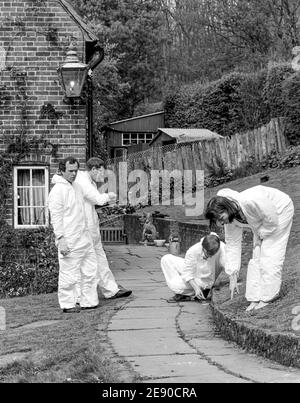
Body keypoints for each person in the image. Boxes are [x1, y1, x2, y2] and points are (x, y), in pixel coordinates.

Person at [52, 157, 132, 300]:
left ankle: (110, 290)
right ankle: (85, 296)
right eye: (101, 172)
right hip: (84, 229)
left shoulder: (87, 181)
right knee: (86, 263)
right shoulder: (82, 180)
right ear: (93, 169)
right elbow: (98, 199)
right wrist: (110, 196)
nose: (103, 176)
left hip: (90, 227)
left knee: (98, 259)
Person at [205, 185, 294, 311]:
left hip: (280, 211)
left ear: (227, 207)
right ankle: (255, 298)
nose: (220, 223)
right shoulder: (230, 217)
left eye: (220, 218)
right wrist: (232, 272)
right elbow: (232, 243)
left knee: (270, 253)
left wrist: (261, 234)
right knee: (256, 256)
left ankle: (269, 296)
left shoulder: (250, 200)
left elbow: (271, 219)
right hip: (261, 222)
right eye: (217, 221)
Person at [48, 157, 99, 313]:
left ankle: (88, 301)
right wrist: (61, 239)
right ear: (62, 170)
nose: (74, 174)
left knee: (90, 270)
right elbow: (56, 217)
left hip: (84, 237)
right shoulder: (57, 190)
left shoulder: (77, 186)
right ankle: (68, 304)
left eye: (76, 171)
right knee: (68, 273)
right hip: (69, 239)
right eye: (70, 171)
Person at [160, 233, 226, 302]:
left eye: (210, 255)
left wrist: (232, 278)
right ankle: (191, 291)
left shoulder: (221, 248)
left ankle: (195, 291)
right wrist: (196, 288)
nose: (207, 256)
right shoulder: (194, 250)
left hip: (204, 281)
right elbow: (187, 271)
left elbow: (229, 266)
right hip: (195, 272)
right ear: (203, 247)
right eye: (206, 253)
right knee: (166, 259)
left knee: (174, 285)